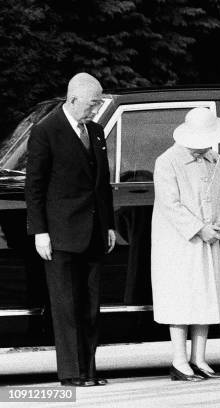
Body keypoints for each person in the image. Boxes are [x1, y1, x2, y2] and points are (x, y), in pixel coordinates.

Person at [25, 73, 116, 387]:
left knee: (91, 306)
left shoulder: (96, 130)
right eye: (92, 103)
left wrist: (109, 226)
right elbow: (34, 186)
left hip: (93, 231)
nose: (95, 109)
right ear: (74, 98)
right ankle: (71, 372)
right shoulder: (45, 131)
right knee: (66, 306)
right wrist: (40, 231)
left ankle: (89, 370)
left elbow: (101, 184)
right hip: (60, 233)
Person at [151, 107, 220, 382]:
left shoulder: (213, 158)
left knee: (205, 295)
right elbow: (169, 204)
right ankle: (179, 360)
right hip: (179, 243)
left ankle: (199, 358)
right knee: (181, 297)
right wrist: (200, 229)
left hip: (208, 238)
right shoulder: (167, 161)